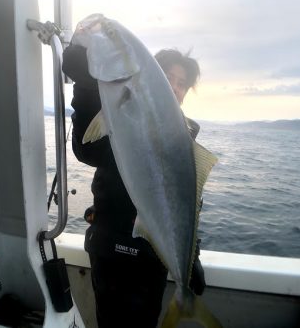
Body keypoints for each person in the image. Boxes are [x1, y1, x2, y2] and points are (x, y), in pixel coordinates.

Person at [62, 46, 204, 328]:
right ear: (152, 79)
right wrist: (87, 86)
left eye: (182, 84)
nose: (175, 88)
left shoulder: (185, 139)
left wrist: (192, 253)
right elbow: (88, 150)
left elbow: (187, 203)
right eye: (168, 78)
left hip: (152, 260)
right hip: (111, 251)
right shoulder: (123, 112)